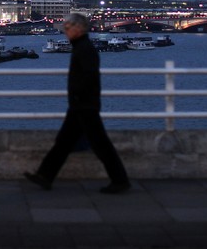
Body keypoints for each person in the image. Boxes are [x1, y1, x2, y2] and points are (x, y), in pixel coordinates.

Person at [24, 12, 131, 194]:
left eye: (68, 28)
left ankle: (120, 180)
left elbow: (88, 77)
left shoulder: (84, 49)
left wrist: (79, 98)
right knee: (64, 142)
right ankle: (45, 175)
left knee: (99, 144)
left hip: (84, 105)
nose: (66, 31)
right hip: (80, 104)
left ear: (79, 29)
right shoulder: (82, 47)